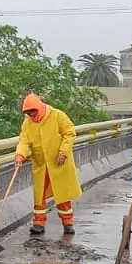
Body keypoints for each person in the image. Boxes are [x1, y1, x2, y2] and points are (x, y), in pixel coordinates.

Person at [16, 93, 83, 236]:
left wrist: (63, 152)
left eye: (33, 112)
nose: (31, 115)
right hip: (41, 164)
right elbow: (24, 140)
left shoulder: (58, 116)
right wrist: (20, 155)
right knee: (39, 195)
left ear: (39, 108)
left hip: (59, 163)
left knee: (62, 194)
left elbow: (69, 133)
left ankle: (68, 223)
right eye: (28, 113)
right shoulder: (28, 122)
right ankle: (38, 223)